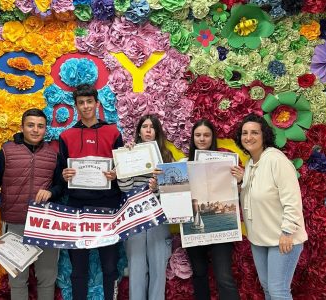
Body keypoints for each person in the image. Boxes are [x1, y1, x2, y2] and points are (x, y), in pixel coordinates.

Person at [0, 108, 62, 300]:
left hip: (45, 225)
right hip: (14, 225)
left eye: (40, 126)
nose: (35, 130)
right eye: (31, 125)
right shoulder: (6, 152)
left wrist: (51, 191)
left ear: (45, 130)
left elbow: (62, 187)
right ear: (22, 127)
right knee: (17, 279)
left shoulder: (53, 156)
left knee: (47, 277)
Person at [231, 113, 308, 300]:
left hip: (282, 237)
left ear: (264, 135)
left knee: (278, 291)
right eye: (245, 133)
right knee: (267, 289)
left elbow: (292, 199)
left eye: (254, 133)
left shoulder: (276, 159)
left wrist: (287, 232)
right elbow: (253, 196)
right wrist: (243, 182)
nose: (248, 137)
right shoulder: (250, 164)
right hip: (259, 239)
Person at [60, 84, 123, 300]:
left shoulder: (113, 132)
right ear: (76, 106)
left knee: (109, 267)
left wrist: (116, 174)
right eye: (81, 103)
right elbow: (60, 174)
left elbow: (123, 171)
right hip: (77, 207)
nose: (86, 106)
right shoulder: (66, 136)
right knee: (78, 269)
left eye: (89, 102)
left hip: (108, 207)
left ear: (97, 104)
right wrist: (64, 175)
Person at [117, 114, 173, 300]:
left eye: (152, 127)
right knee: (137, 271)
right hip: (135, 220)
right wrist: (126, 159)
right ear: (139, 131)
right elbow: (124, 188)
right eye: (144, 126)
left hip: (159, 220)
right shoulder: (128, 152)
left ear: (157, 131)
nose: (148, 130)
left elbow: (174, 191)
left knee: (158, 272)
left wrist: (159, 187)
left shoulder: (166, 156)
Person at [186, 119, 240, 300]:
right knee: (200, 273)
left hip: (221, 226)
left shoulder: (226, 163)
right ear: (193, 137)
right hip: (193, 227)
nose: (202, 139)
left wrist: (239, 180)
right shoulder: (183, 164)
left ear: (212, 137)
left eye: (206, 135)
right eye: (198, 135)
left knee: (224, 277)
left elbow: (237, 193)